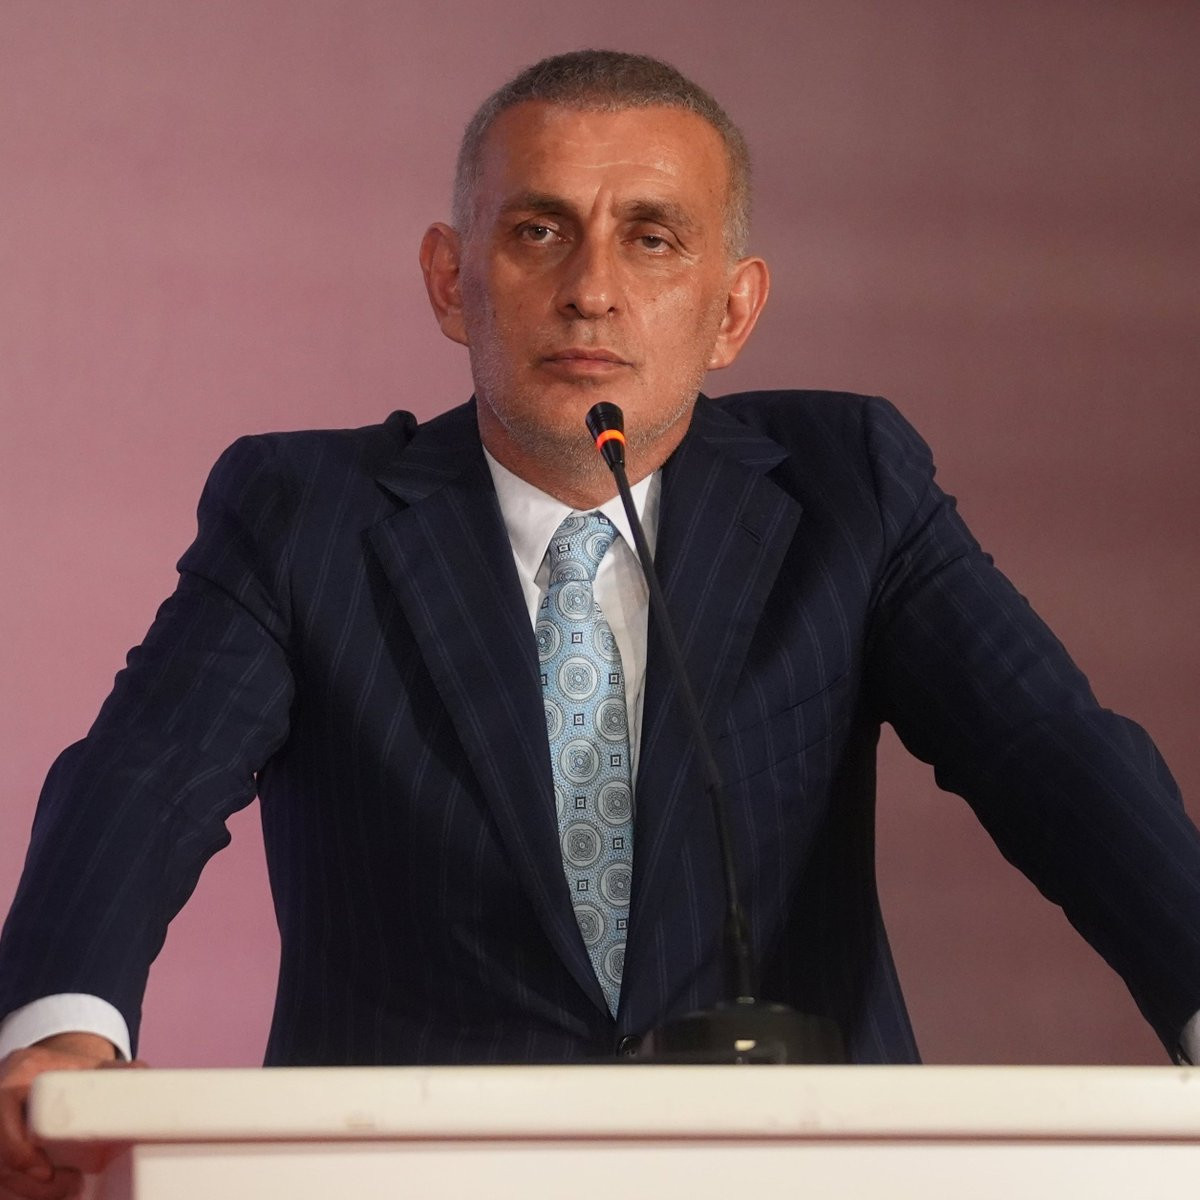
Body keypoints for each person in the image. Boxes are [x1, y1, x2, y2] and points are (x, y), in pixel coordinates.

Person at [3, 47, 1200, 1198]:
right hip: (404, 1177)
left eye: (652, 237)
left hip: (794, 1175)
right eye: (539, 231)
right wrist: (61, 1028)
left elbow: (1051, 754)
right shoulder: (302, 515)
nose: (591, 288)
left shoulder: (852, 491)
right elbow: (146, 774)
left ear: (733, 311)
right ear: (449, 278)